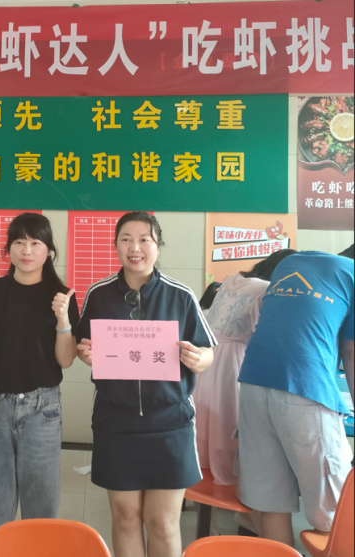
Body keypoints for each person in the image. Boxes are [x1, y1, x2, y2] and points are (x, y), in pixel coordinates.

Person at [76, 212, 216, 557]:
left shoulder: (180, 295)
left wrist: (198, 358)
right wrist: (85, 353)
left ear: (158, 246)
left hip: (169, 424)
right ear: (116, 245)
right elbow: (83, 345)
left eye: (144, 240)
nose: (134, 248)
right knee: (125, 518)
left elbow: (208, 352)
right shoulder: (99, 294)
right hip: (116, 422)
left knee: (162, 522)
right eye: (125, 239)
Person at [0, 213, 79, 546]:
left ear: (49, 251)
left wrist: (63, 319)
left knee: (41, 496)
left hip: (43, 408)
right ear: (8, 248)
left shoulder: (62, 296)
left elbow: (66, 360)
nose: (27, 250)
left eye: (35, 242)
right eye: (19, 242)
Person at [237, 251, 354, 548]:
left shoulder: (289, 263)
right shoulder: (351, 274)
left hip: (253, 382)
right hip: (303, 387)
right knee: (333, 511)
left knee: (272, 502)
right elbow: (351, 352)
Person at [194, 249, 297, 487]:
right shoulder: (266, 289)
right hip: (235, 359)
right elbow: (264, 333)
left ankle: (202, 479)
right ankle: (231, 483)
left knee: (208, 420)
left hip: (209, 356)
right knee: (229, 422)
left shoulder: (233, 279)